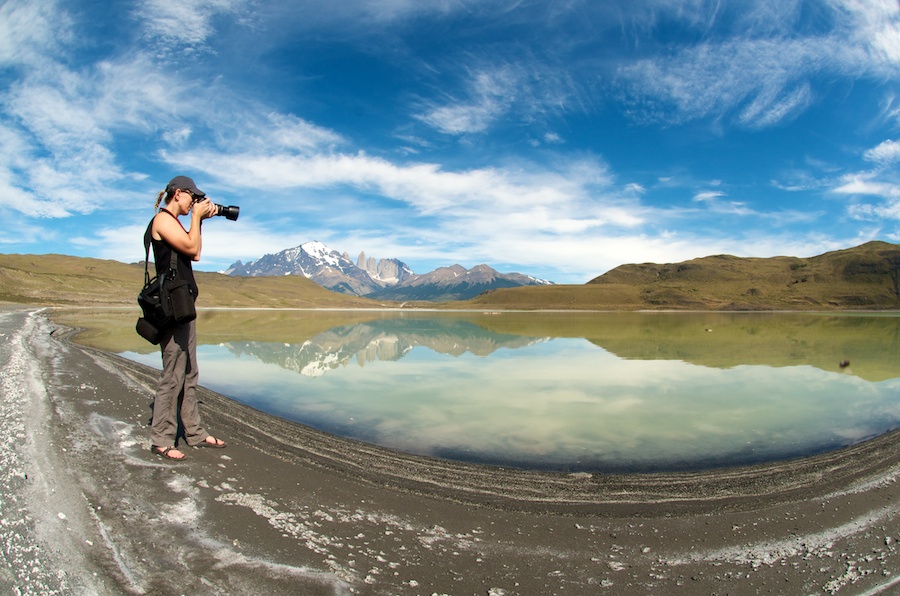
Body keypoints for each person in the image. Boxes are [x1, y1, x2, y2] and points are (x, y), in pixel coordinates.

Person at [147, 175, 226, 460]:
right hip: (172, 307)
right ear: (178, 193)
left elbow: (196, 253)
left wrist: (199, 221)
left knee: (189, 371)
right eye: (193, 197)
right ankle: (161, 439)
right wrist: (196, 217)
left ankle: (193, 432)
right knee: (173, 373)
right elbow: (192, 249)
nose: (195, 202)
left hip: (183, 305)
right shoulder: (163, 221)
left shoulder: (176, 223)